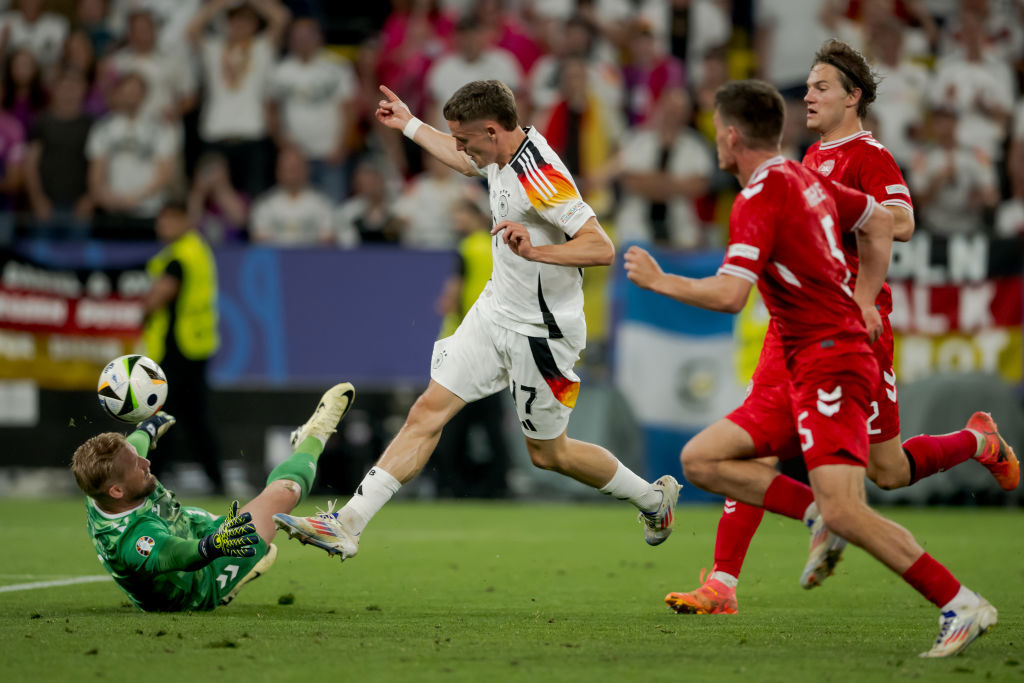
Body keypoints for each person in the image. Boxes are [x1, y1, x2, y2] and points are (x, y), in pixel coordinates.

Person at [624, 78, 998, 659]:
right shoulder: (807, 177)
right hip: (804, 360)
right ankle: (799, 524)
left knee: (857, 500)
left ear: (729, 137)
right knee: (703, 458)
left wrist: (659, 280)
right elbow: (875, 221)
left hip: (832, 361)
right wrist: (865, 294)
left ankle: (960, 603)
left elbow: (730, 296)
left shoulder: (761, 196)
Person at [274, 79, 681, 561]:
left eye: (466, 139)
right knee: (428, 410)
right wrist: (409, 125)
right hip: (494, 313)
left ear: (492, 130)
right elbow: (463, 158)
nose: (463, 150)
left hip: (542, 336)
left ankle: (654, 500)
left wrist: (537, 250)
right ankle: (347, 525)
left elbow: (601, 246)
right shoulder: (497, 154)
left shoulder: (542, 175)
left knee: (550, 454)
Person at [71, 382, 354, 611]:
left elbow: (134, 446)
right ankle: (314, 435)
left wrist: (148, 427)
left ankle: (246, 552)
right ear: (117, 491)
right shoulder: (133, 540)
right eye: (137, 465)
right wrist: (214, 545)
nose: (146, 463)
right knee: (285, 492)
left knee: (236, 522)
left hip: (190, 524)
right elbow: (179, 555)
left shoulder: (106, 485)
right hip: (199, 581)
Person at [142, 203, 223, 493]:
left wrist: (143, 310)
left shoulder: (178, 257)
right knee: (195, 416)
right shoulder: (198, 250)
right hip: (197, 345)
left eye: (163, 221)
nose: (158, 228)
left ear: (179, 220)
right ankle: (216, 478)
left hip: (177, 347)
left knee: (162, 415)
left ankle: (150, 478)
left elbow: (160, 296)